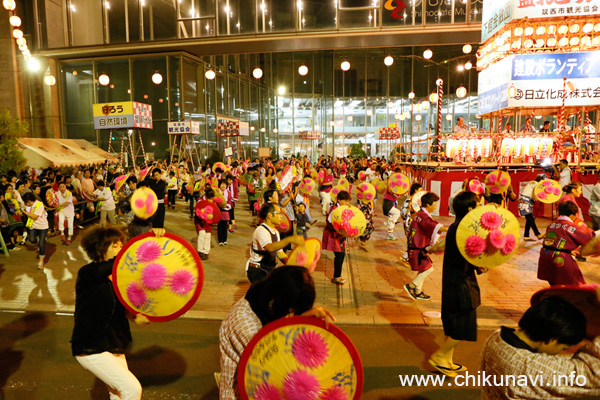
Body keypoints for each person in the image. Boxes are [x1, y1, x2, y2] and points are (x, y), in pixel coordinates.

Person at [219, 266, 335, 400]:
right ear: (279, 300)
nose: (289, 314)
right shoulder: (245, 324)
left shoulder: (265, 302)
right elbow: (279, 366)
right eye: (290, 310)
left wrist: (302, 318)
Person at [71, 227, 150, 400]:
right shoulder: (88, 273)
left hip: (115, 344)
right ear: (100, 249)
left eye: (122, 245)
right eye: (115, 246)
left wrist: (136, 316)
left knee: (119, 394)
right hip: (91, 347)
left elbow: (124, 310)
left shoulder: (121, 277)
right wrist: (145, 242)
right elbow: (113, 265)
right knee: (132, 389)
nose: (121, 250)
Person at [481, 296, 600, 400]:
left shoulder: (496, 337)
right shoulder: (528, 368)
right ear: (552, 339)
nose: (561, 352)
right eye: (564, 347)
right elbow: (594, 373)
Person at [430, 191, 485, 378]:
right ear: (470, 209)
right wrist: (480, 265)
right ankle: (439, 355)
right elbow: (468, 255)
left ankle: (447, 361)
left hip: (454, 278)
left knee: (455, 323)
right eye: (476, 205)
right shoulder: (465, 229)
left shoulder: (456, 226)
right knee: (464, 325)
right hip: (461, 282)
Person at [537, 201, 596, 286]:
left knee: (555, 284)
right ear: (573, 214)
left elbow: (556, 243)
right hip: (560, 259)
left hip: (545, 257)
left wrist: (569, 251)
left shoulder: (551, 225)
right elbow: (590, 236)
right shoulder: (571, 227)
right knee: (576, 285)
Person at [405, 192, 447, 301]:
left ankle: (418, 291)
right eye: (435, 203)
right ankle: (411, 286)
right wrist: (452, 229)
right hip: (417, 250)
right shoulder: (424, 217)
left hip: (416, 248)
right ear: (428, 205)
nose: (436, 206)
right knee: (429, 269)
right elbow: (435, 227)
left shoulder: (420, 214)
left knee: (424, 269)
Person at [246, 203, 304, 283]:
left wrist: (294, 265)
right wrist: (289, 239)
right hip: (258, 271)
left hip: (268, 269)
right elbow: (270, 247)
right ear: (270, 215)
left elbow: (280, 254)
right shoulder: (261, 230)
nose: (281, 216)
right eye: (278, 213)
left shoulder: (275, 232)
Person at [323, 190, 351, 285]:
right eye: (345, 201)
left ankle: (337, 275)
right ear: (339, 200)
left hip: (340, 236)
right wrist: (339, 229)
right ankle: (337, 276)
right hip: (334, 235)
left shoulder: (342, 208)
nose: (347, 203)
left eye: (348, 201)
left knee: (341, 255)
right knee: (340, 255)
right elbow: (329, 221)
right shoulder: (335, 209)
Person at [21, 192, 49, 270]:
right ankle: (40, 240)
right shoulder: (27, 206)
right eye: (26, 202)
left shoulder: (39, 205)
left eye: (29, 202)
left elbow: (34, 216)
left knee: (41, 244)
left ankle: (41, 262)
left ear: (33, 200)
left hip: (43, 226)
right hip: (33, 226)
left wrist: (24, 212)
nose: (27, 204)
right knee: (32, 240)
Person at [519, 175, 545, 242]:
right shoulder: (536, 184)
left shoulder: (532, 182)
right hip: (525, 203)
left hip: (524, 201)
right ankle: (538, 234)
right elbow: (533, 195)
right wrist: (537, 198)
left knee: (529, 219)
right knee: (530, 219)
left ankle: (526, 236)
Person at [195, 188, 218, 260]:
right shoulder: (200, 200)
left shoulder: (214, 203)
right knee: (202, 234)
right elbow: (197, 211)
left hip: (208, 222)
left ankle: (206, 252)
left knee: (208, 235)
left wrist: (211, 220)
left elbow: (216, 213)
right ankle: (200, 251)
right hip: (199, 221)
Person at [217, 179, 231, 246]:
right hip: (218, 210)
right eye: (222, 184)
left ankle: (225, 239)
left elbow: (229, 201)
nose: (223, 185)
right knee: (220, 226)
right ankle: (220, 240)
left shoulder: (228, 193)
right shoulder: (217, 192)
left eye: (225, 184)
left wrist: (227, 205)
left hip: (225, 211)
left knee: (225, 226)